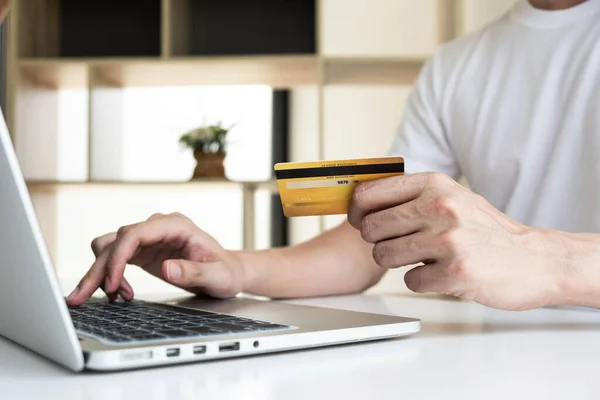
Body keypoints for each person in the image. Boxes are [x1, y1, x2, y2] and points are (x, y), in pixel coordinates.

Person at [67, 0, 600, 312]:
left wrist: (546, 261)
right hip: (502, 361)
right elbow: (373, 237)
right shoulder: (458, 64)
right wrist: (235, 266)